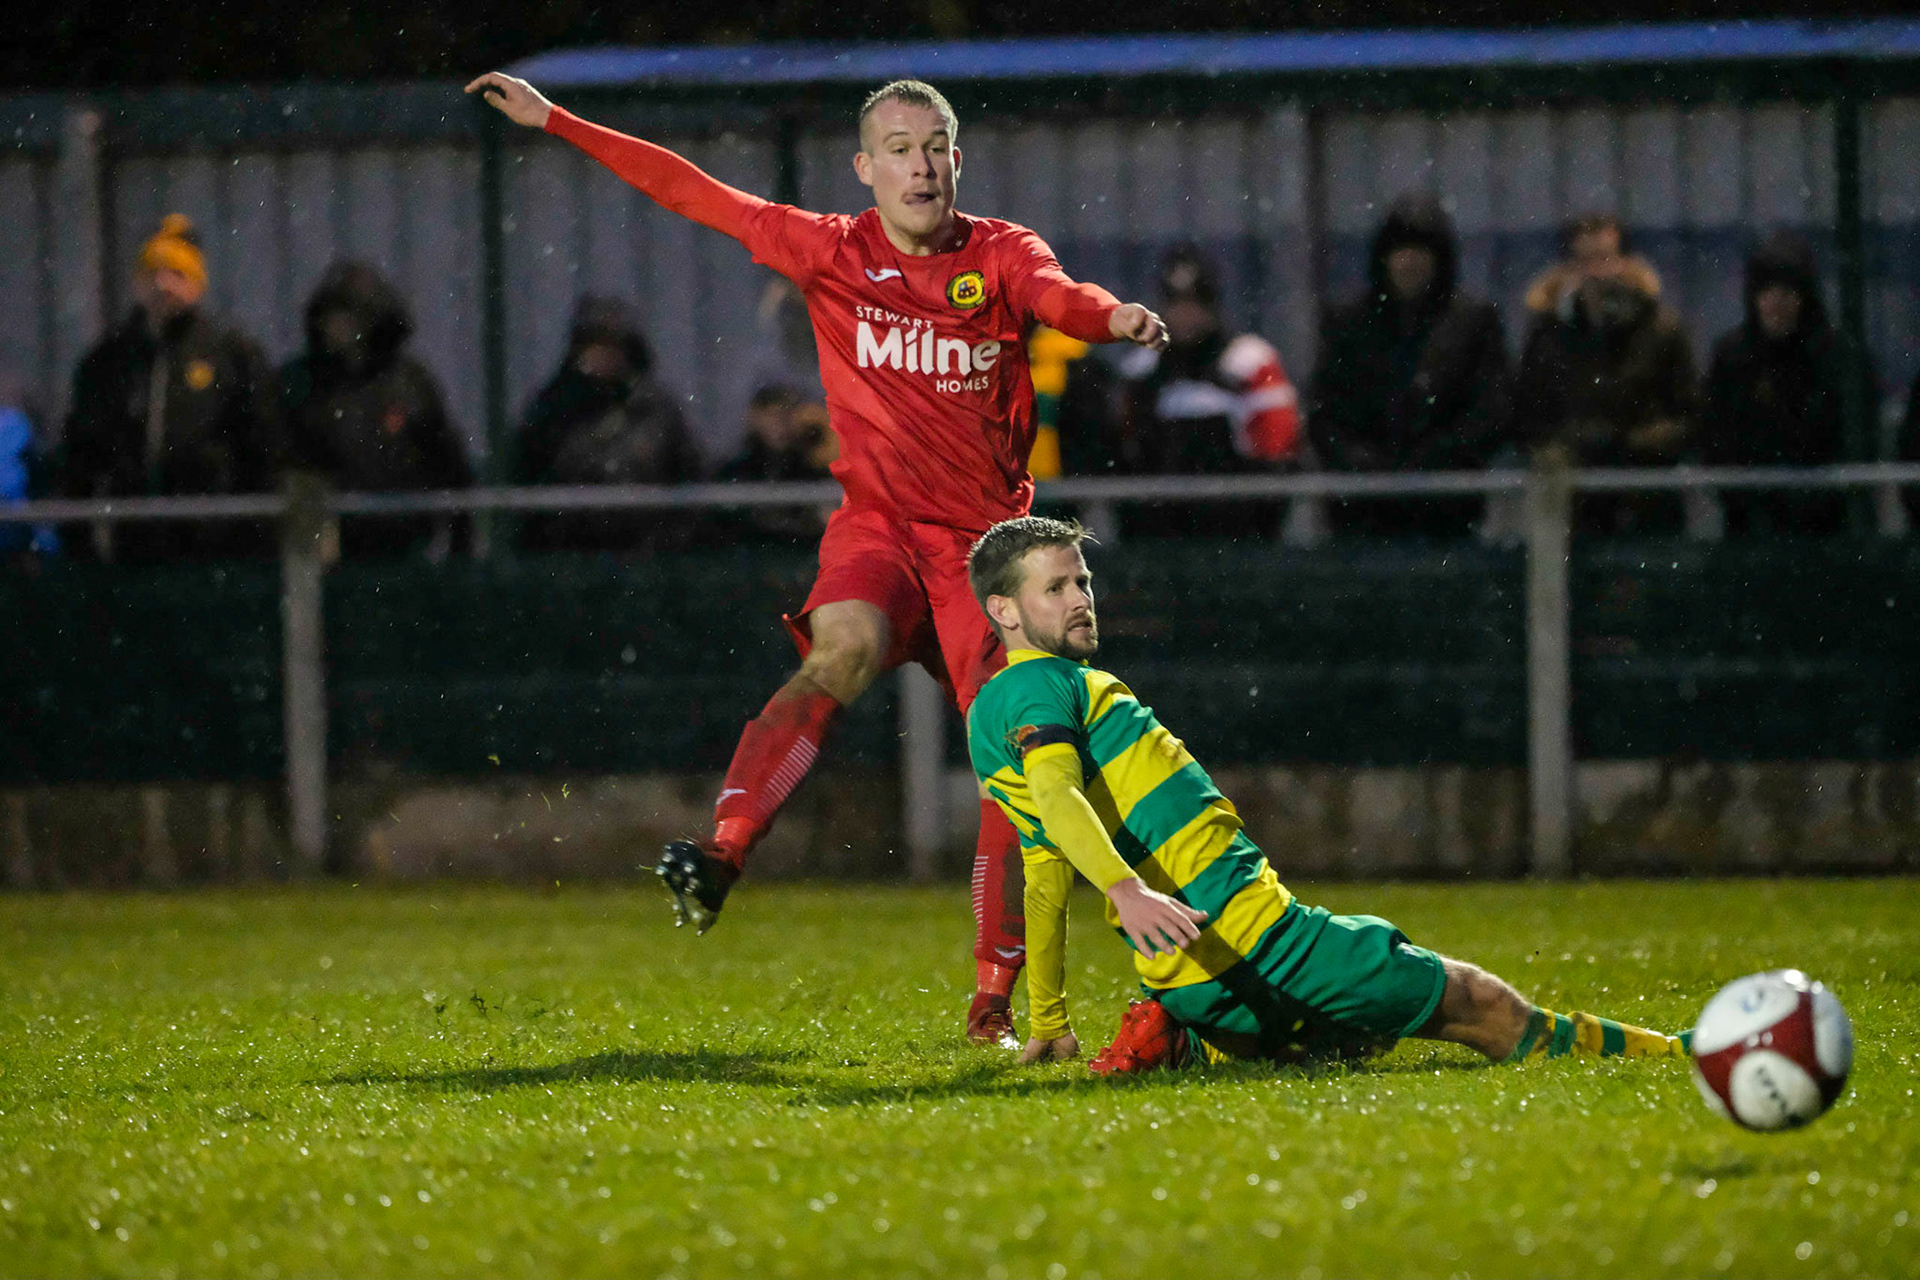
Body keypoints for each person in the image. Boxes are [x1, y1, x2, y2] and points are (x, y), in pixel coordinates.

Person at [467, 70, 1169, 1046]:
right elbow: (692, 192)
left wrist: (1111, 317)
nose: (919, 167)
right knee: (836, 651)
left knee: (1015, 766)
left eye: (935, 148)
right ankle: (723, 850)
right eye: (899, 149)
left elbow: (1059, 295)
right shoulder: (831, 249)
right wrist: (556, 121)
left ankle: (992, 1002)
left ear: (957, 160)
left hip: (987, 553)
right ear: (865, 167)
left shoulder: (1000, 255)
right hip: (879, 528)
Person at [963, 515, 1691, 1071]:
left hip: (1197, 977)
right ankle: (1679, 1055)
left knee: (1357, 1039)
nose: (1080, 600)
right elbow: (1060, 799)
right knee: (1483, 1007)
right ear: (1006, 612)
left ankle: (1183, 1038)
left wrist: (1050, 1017)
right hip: (1264, 943)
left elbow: (1045, 865)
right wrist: (1125, 890)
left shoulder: (990, 715)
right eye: (1054, 589)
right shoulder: (1041, 685)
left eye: (1083, 581)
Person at [61, 214, 280, 562]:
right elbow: (80, 456)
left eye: (177, 274)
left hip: (214, 550)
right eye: (152, 274)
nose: (163, 285)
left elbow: (261, 448)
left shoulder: (231, 355)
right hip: (131, 548)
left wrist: (252, 540)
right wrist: (80, 545)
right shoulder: (108, 361)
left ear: (197, 283)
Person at [1310, 194, 1513, 538]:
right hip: (1361, 513)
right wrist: (1365, 465)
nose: (1409, 263)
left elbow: (1491, 410)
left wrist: (1436, 460)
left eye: (1420, 252)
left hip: (1447, 510)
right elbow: (1326, 410)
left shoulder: (1473, 322)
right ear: (1383, 258)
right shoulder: (1348, 324)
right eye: (1400, 251)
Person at [1514, 213, 1698, 535]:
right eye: (1584, 260)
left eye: (1604, 258)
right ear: (1569, 268)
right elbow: (1528, 413)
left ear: (1626, 263)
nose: (1596, 272)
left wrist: (1635, 443)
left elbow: (1689, 414)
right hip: (1575, 505)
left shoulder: (1663, 331)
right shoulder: (1547, 335)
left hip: (1646, 499)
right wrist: (1565, 447)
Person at [280, 261, 472, 559]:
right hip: (326, 555)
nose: (338, 327)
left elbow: (449, 462)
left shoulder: (410, 383)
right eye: (331, 317)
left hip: (405, 547)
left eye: (350, 316)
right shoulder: (300, 384)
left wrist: (460, 543)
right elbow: (285, 459)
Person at [1113, 245, 1302, 537]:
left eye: (1195, 303)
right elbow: (1125, 450)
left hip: (1240, 530)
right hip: (1159, 533)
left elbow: (1278, 450)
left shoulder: (1252, 361)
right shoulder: (1141, 368)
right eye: (1175, 304)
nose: (1185, 315)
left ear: (1213, 306)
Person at [513, 295, 700, 554]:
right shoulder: (552, 410)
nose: (603, 356)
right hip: (569, 558)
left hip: (645, 558)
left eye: (613, 346)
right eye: (594, 345)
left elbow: (687, 475)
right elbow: (528, 477)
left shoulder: (656, 409)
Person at [1701, 233, 1859, 536]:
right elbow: (1716, 434)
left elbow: (1845, 436)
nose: (1776, 301)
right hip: (1752, 521)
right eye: (1768, 290)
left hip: (1820, 522)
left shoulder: (1834, 357)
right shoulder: (1733, 357)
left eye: (1787, 291)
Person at [707, 385, 837, 547]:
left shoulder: (809, 470)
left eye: (787, 416)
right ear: (755, 417)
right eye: (773, 416)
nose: (780, 425)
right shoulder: (735, 471)